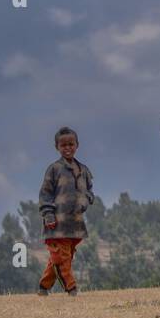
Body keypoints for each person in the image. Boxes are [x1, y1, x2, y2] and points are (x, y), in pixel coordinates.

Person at [38, 126, 99, 296]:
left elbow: (89, 192)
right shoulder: (54, 169)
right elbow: (45, 194)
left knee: (62, 257)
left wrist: (86, 201)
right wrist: (48, 214)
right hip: (56, 223)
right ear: (57, 147)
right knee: (61, 258)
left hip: (75, 224)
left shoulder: (84, 170)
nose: (67, 148)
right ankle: (72, 289)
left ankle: (43, 288)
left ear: (77, 145)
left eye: (71, 144)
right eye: (63, 145)